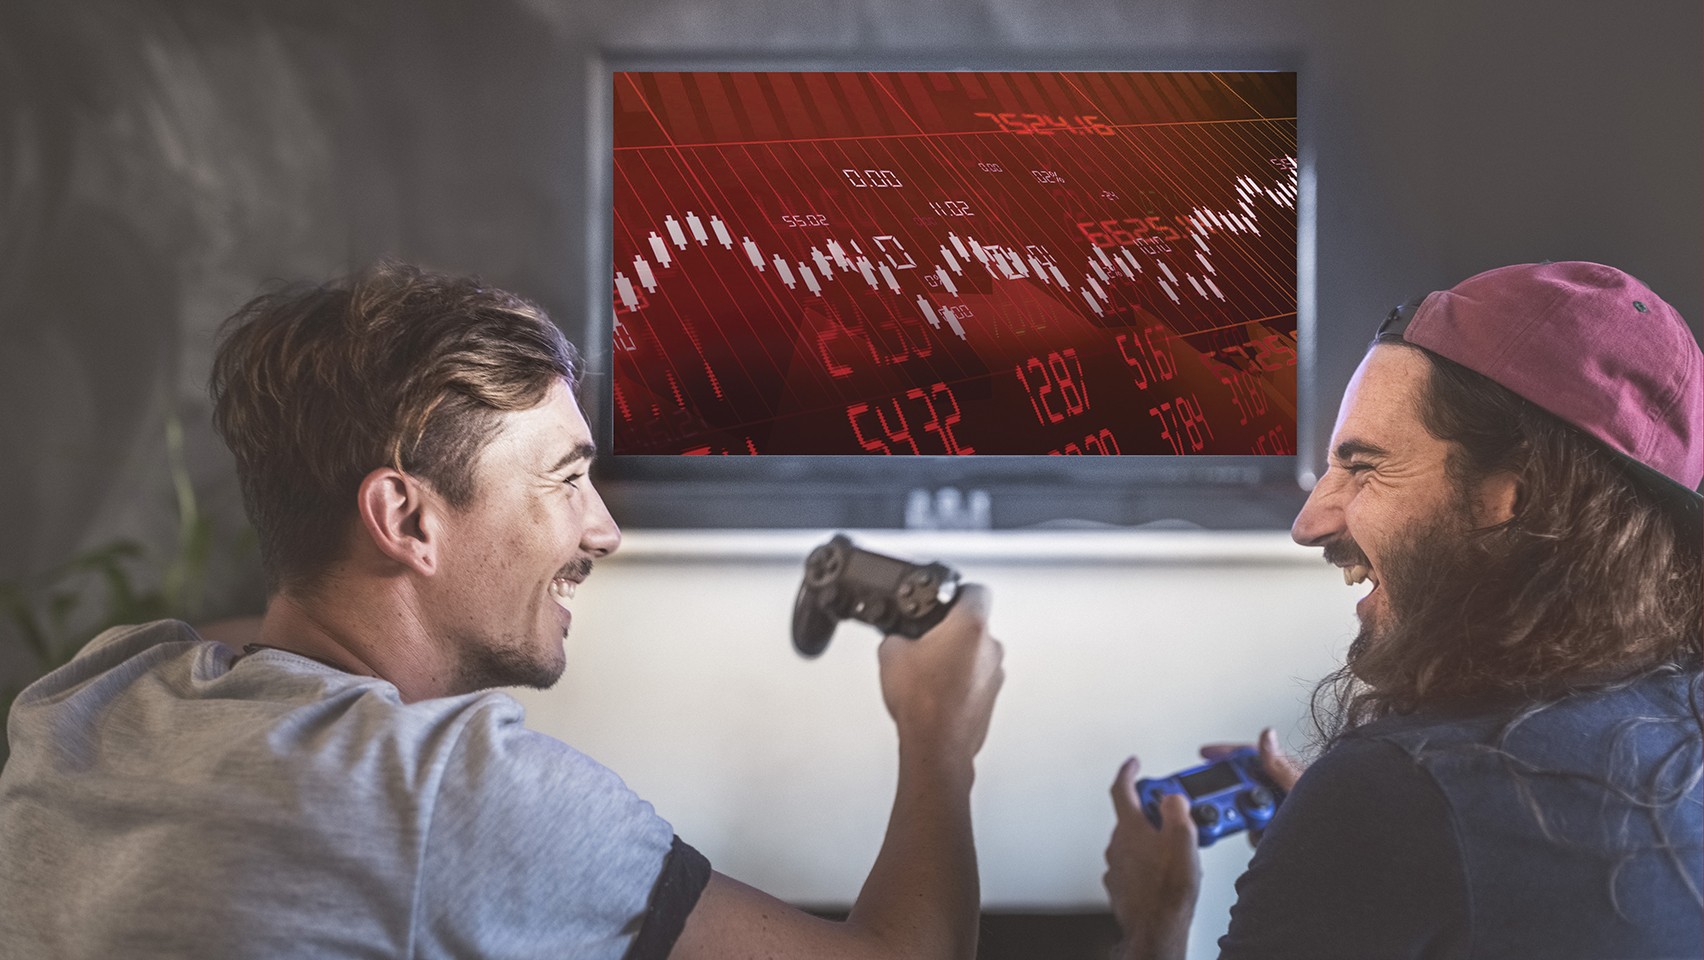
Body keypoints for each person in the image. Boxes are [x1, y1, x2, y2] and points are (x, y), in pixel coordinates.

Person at [0, 262, 1005, 960]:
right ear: (404, 516)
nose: (603, 530)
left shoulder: (94, 695)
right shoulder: (453, 795)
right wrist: (938, 731)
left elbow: (248, 647)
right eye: (563, 480)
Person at [1104, 260, 1704, 960]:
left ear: (1519, 498)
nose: (1310, 522)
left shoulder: (1395, 794)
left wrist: (1154, 926)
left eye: (1363, 467)